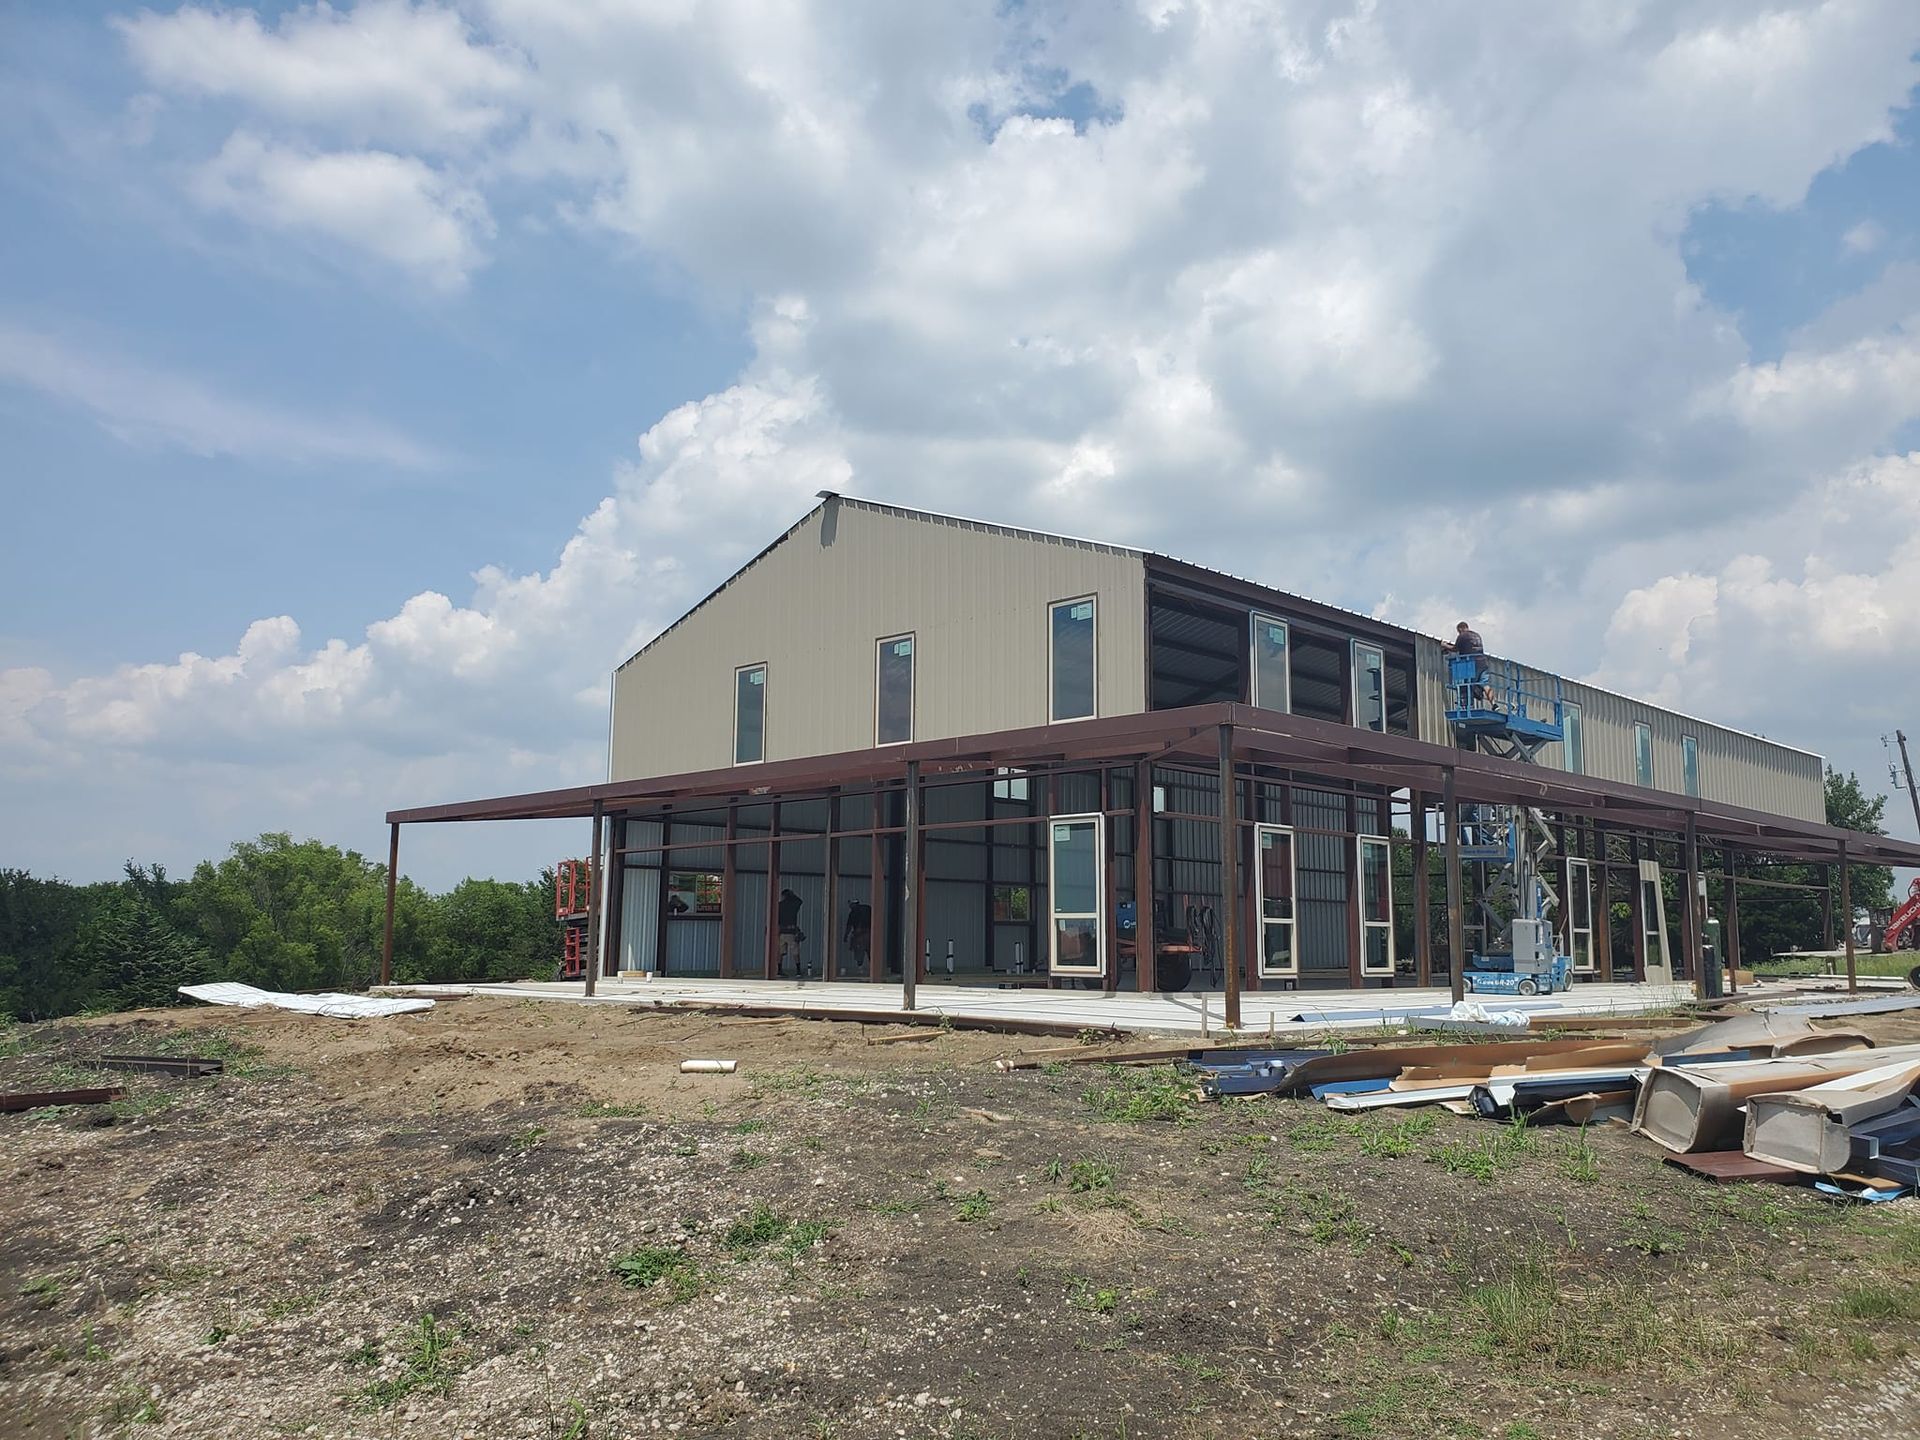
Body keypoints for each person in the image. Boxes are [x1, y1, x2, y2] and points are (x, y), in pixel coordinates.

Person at [777, 888, 806, 977]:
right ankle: (798, 971)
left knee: (780, 952)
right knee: (795, 952)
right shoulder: (793, 905)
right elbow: (800, 901)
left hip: (781, 932)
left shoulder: (779, 905)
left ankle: (779, 970)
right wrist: (792, 895)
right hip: (791, 932)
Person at [843, 898, 872, 976]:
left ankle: (860, 968)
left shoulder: (853, 913)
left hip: (859, 935)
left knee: (859, 952)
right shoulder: (868, 909)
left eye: (850, 904)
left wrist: (846, 936)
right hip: (870, 934)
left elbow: (849, 926)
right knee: (870, 951)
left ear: (853, 904)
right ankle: (873, 969)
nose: (849, 906)